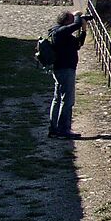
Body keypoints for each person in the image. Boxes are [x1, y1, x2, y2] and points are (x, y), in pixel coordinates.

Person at [37, 9, 92, 137]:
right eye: (71, 20)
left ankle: (54, 128)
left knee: (58, 99)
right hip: (65, 69)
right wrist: (78, 15)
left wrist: (83, 30)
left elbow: (78, 44)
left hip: (62, 68)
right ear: (66, 21)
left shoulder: (61, 34)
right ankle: (63, 130)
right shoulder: (60, 31)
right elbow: (76, 24)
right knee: (67, 100)